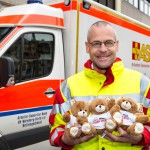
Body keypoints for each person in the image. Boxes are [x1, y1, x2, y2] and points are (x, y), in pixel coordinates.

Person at [49, 21, 150, 150]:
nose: (103, 49)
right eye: (96, 43)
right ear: (87, 47)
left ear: (116, 45)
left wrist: (141, 137)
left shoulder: (143, 83)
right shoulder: (68, 86)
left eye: (108, 43)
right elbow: (54, 130)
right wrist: (65, 139)